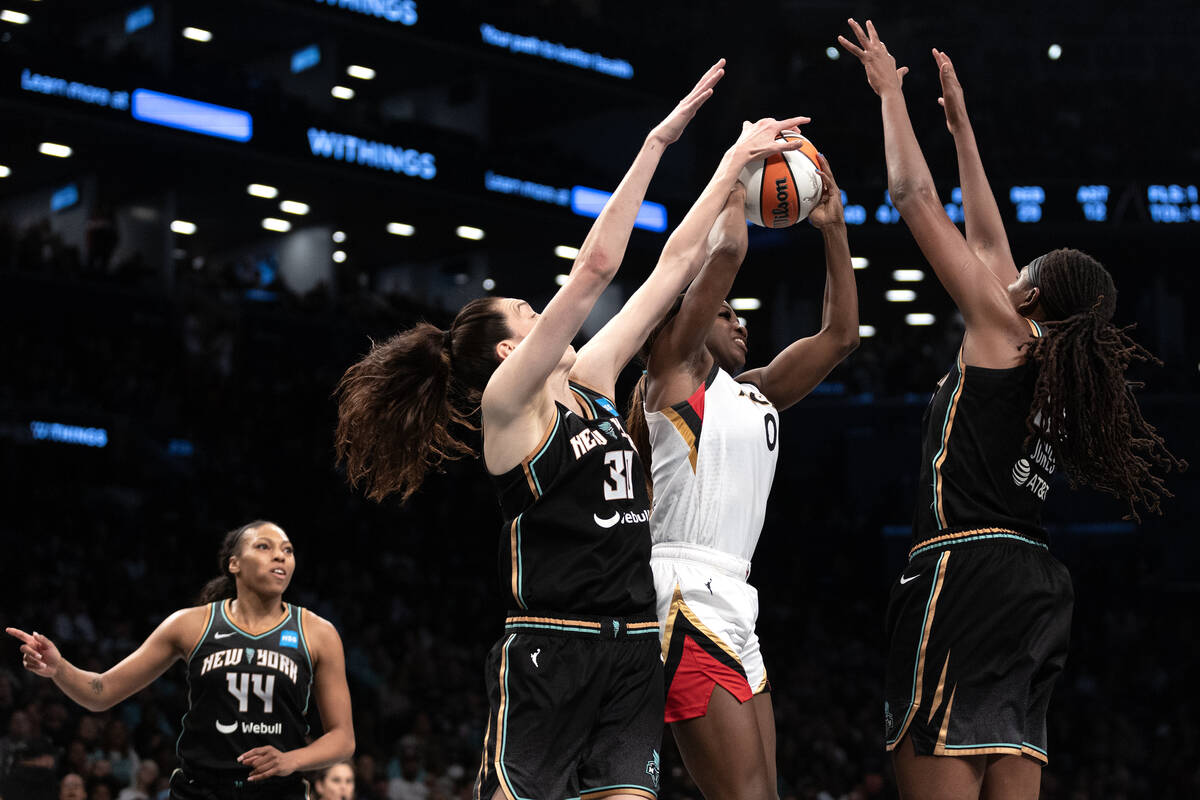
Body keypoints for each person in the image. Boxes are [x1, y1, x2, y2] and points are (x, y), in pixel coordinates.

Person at [334, 56, 810, 800]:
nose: (540, 314)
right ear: (503, 350)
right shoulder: (509, 404)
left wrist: (728, 163)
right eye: (526, 313)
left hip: (629, 648)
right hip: (551, 646)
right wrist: (655, 143)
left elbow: (671, 269)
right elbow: (594, 267)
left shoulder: (590, 381)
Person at [838, 19, 1184, 799]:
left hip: (965, 568)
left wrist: (892, 96)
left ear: (1031, 297)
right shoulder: (1052, 365)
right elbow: (992, 244)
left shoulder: (1006, 331)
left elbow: (912, 197)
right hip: (1034, 583)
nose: (1005, 269)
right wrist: (962, 126)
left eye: (1019, 273)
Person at [624, 153, 858, 799]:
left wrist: (833, 230)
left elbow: (840, 336)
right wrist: (735, 179)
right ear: (685, 324)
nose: (739, 320)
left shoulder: (757, 391)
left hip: (735, 595)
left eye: (739, 313)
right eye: (723, 313)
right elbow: (725, 252)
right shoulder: (670, 376)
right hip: (683, 593)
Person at [8, 521, 355, 800]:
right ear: (234, 563)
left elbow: (343, 739)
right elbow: (101, 692)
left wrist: (291, 759)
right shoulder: (191, 624)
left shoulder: (318, 632)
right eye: (264, 547)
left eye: (288, 551)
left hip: (279, 791)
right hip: (200, 789)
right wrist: (60, 668)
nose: (280, 557)